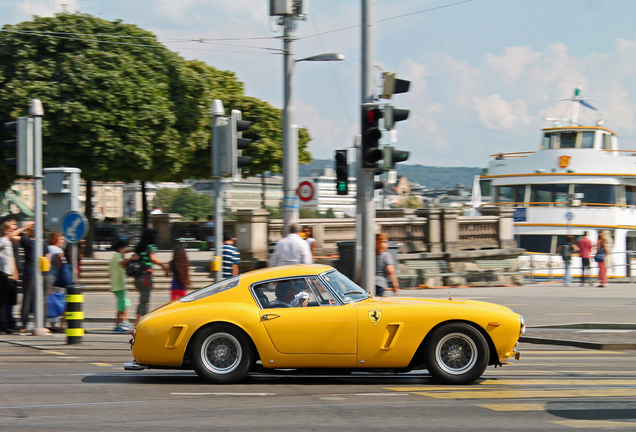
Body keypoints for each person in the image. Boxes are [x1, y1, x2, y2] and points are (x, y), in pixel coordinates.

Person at [122, 229, 169, 325]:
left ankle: (143, 321)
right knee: (144, 300)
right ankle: (137, 324)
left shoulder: (138, 247)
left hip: (137, 277)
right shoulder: (151, 247)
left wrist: (127, 260)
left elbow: (123, 250)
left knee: (144, 299)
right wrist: (163, 265)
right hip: (146, 276)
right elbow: (153, 258)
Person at [46, 231, 66, 332]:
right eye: (61, 239)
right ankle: (55, 325)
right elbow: (60, 265)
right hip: (56, 277)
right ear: (56, 239)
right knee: (57, 299)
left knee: (51, 300)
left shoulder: (48, 247)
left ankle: (52, 323)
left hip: (48, 275)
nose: (63, 241)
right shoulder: (58, 250)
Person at [110, 241, 132, 332]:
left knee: (125, 304)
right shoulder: (117, 257)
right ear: (120, 249)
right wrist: (131, 259)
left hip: (120, 285)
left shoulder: (117, 256)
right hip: (119, 286)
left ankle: (124, 322)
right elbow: (121, 263)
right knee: (121, 306)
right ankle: (119, 324)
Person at [0, 222, 18, 334]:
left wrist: (14, 272)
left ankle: (5, 325)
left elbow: (11, 259)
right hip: (2, 274)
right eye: (12, 230)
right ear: (7, 231)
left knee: (6, 301)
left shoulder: (8, 242)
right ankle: (3, 326)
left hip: (8, 274)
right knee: (2, 302)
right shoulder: (3, 241)